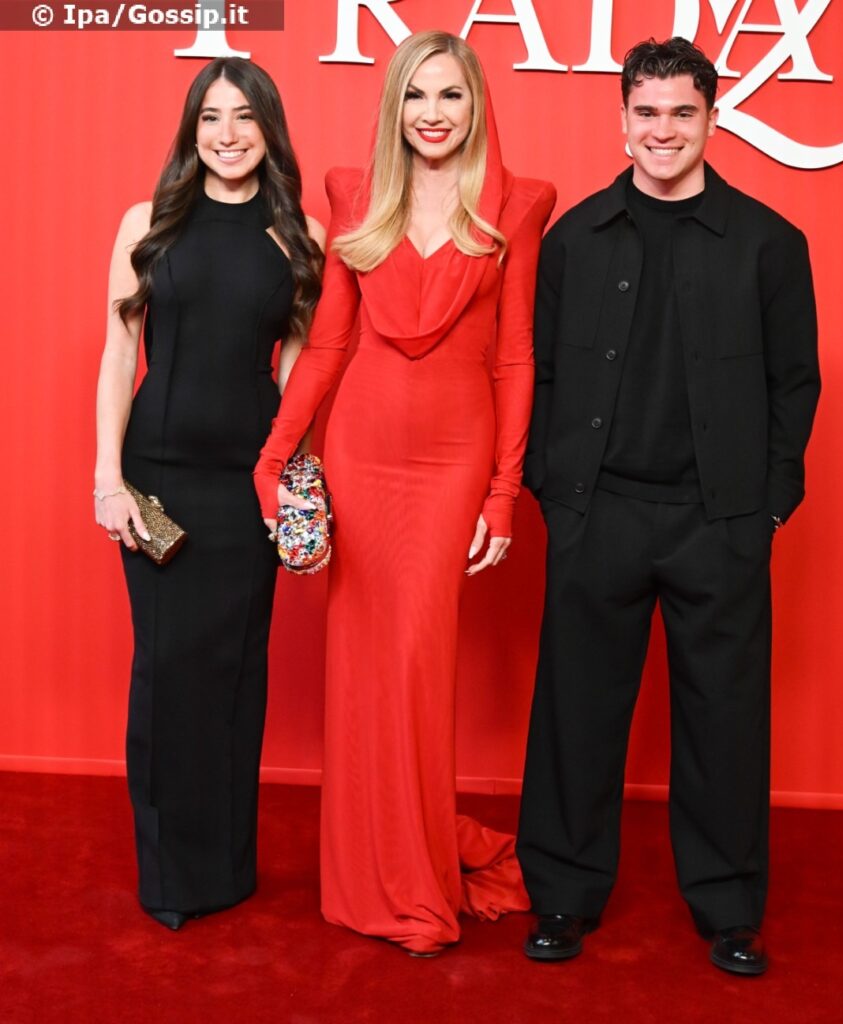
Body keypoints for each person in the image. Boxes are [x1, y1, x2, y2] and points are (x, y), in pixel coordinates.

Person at [517, 37, 819, 974]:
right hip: (596, 511)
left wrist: (766, 508)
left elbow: (794, 385)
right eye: (646, 112)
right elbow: (540, 373)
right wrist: (554, 495)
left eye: (681, 112)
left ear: (710, 119)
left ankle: (728, 909)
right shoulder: (573, 240)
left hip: (716, 520)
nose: (662, 130)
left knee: (724, 720)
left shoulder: (769, 243)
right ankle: (562, 897)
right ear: (621, 120)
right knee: (574, 714)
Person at [254, 31, 555, 956]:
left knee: (418, 668)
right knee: (359, 669)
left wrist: (503, 491)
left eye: (450, 95)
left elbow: (515, 357)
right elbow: (330, 344)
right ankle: (363, 875)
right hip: (361, 454)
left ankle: (417, 874)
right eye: (416, 95)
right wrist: (275, 455)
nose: (432, 113)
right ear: (394, 106)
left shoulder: (518, 204)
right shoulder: (354, 194)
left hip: (451, 463)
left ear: (476, 106)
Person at [94, 58, 325, 930]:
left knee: (234, 673)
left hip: (246, 485)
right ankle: (171, 877)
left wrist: (295, 487)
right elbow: (120, 354)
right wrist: (107, 479)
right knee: (166, 673)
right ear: (191, 131)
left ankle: (228, 868)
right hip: (156, 481)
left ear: (269, 129)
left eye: (244, 117)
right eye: (210, 118)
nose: (227, 135)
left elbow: (299, 372)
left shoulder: (299, 234)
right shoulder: (147, 221)